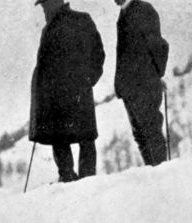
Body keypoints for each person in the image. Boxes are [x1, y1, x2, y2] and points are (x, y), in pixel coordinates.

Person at [29, 0, 105, 183]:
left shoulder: (75, 22)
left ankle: (75, 180)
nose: (44, 11)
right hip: (66, 97)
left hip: (67, 96)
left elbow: (98, 54)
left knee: (73, 139)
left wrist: (88, 80)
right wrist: (88, 81)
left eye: (45, 6)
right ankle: (78, 180)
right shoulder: (54, 28)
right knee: (73, 139)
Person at [113, 0, 170, 166]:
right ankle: (154, 172)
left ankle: (161, 173)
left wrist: (156, 74)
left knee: (151, 133)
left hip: (144, 84)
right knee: (141, 135)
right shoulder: (124, 13)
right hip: (130, 87)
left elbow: (158, 46)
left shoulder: (143, 10)